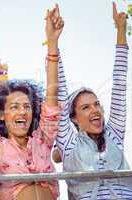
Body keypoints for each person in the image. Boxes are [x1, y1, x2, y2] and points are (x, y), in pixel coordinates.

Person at [0, 5, 63, 200]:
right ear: (2, 114)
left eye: (26, 106)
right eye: (14, 107)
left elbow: (52, 94)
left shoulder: (43, 140)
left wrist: (53, 42)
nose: (22, 112)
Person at [56, 3, 132, 199]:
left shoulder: (114, 134)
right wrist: (53, 42)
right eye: (86, 107)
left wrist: (121, 30)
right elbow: (59, 90)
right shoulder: (68, 142)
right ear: (73, 118)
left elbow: (120, 85)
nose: (95, 110)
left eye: (97, 104)